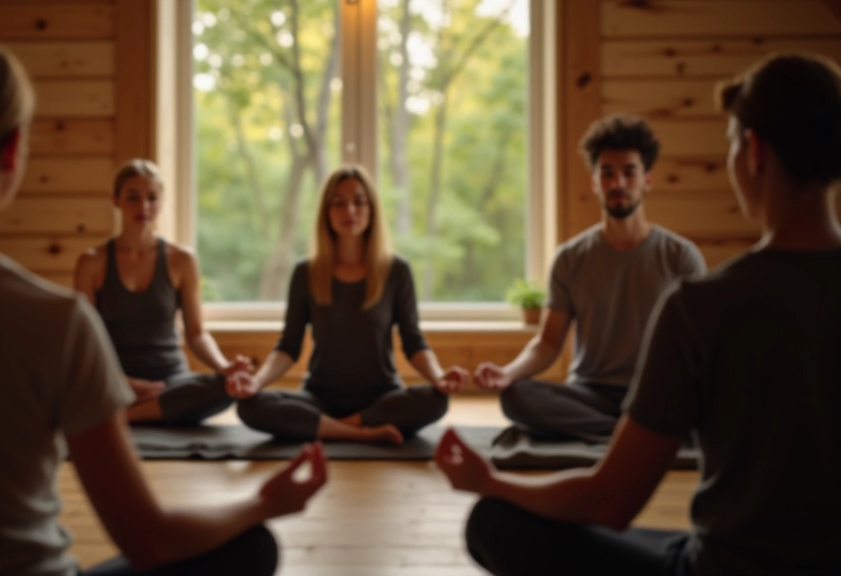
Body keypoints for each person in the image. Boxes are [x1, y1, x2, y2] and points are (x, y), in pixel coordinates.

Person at [0, 33, 327, 576]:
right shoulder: (54, 319)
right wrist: (263, 502)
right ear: (12, 149)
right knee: (251, 545)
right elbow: (148, 538)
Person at [437, 52, 841, 575]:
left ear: (754, 152)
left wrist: (487, 481)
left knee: (494, 521)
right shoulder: (580, 259)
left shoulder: (700, 301)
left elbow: (611, 503)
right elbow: (549, 343)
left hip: (723, 566)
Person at [474, 115, 706, 441]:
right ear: (595, 182)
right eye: (607, 173)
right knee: (516, 396)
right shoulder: (570, 258)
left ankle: (621, 434)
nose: (618, 183)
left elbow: (699, 344)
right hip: (590, 395)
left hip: (654, 395)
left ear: (647, 180)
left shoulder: (681, 256)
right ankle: (631, 438)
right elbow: (548, 343)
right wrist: (507, 373)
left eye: (629, 172)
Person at [230, 165, 468, 444]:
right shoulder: (305, 272)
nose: (350, 211)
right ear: (326, 213)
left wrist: (439, 378)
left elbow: (413, 342)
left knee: (436, 400)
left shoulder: (396, 270)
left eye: (359, 201)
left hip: (382, 397)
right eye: (339, 203)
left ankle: (334, 430)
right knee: (249, 406)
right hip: (319, 398)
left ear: (372, 210)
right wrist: (255, 382)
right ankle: (361, 433)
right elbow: (288, 346)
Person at [74, 159, 249, 424]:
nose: (143, 206)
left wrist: (223, 367)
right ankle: (151, 408)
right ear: (116, 200)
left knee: (224, 390)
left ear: (161, 203)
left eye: (152, 198)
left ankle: (126, 417)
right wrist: (124, 382)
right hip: (115, 378)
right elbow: (85, 340)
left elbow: (196, 333)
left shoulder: (182, 260)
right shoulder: (91, 262)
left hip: (171, 379)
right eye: (133, 197)